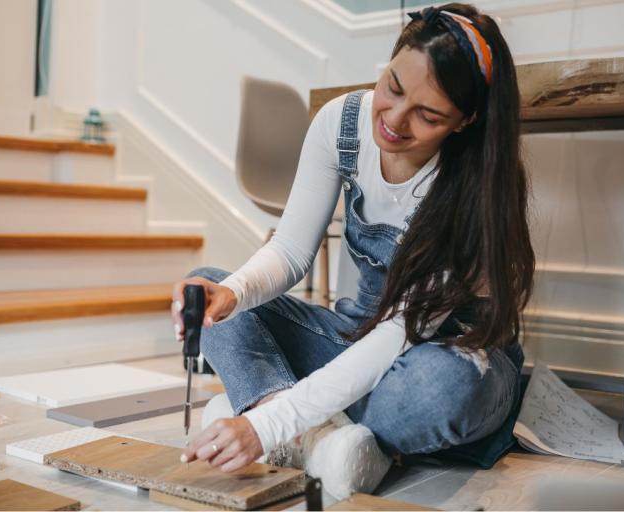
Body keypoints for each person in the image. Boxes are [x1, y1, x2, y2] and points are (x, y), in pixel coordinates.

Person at [171, 2, 535, 499]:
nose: (395, 122)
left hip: (448, 353)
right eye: (393, 87)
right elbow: (293, 250)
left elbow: (398, 336)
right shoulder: (340, 123)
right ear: (389, 62)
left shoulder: (474, 190)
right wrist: (231, 293)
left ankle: (276, 416)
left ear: (465, 121)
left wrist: (268, 426)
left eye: (427, 115)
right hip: (355, 334)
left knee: (438, 392)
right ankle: (318, 438)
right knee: (214, 288)